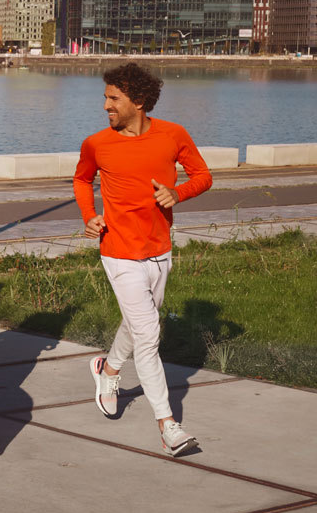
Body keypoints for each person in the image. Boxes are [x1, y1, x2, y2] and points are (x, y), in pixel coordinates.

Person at [73, 62, 213, 456]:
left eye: (113, 98)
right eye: (105, 98)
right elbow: (82, 180)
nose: (105, 106)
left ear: (138, 101)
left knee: (139, 326)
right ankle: (169, 427)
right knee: (149, 336)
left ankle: (108, 369)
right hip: (118, 251)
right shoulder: (97, 143)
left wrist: (177, 193)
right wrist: (90, 217)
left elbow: (202, 175)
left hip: (158, 250)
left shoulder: (173, 135)